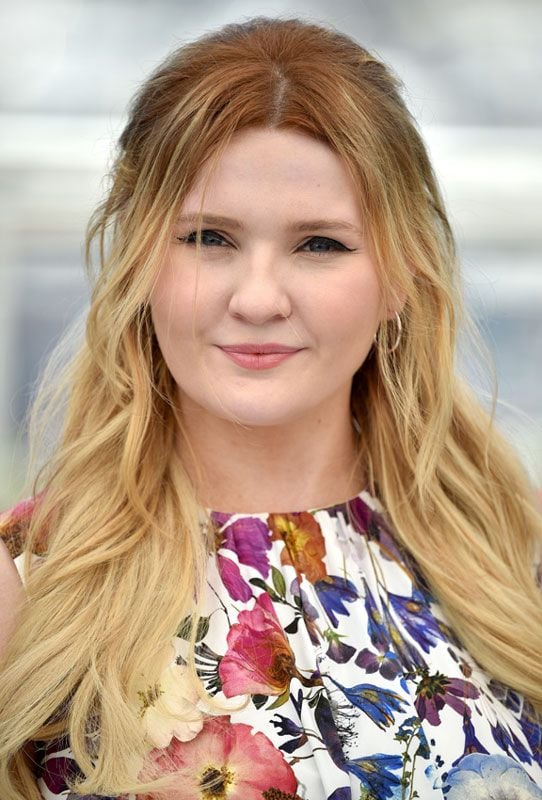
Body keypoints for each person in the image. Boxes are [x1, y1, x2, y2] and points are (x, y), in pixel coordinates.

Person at [0, 15, 541, 800]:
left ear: (399, 275)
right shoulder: (31, 586)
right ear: (139, 262)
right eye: (208, 238)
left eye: (319, 244)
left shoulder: (510, 556)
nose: (257, 299)